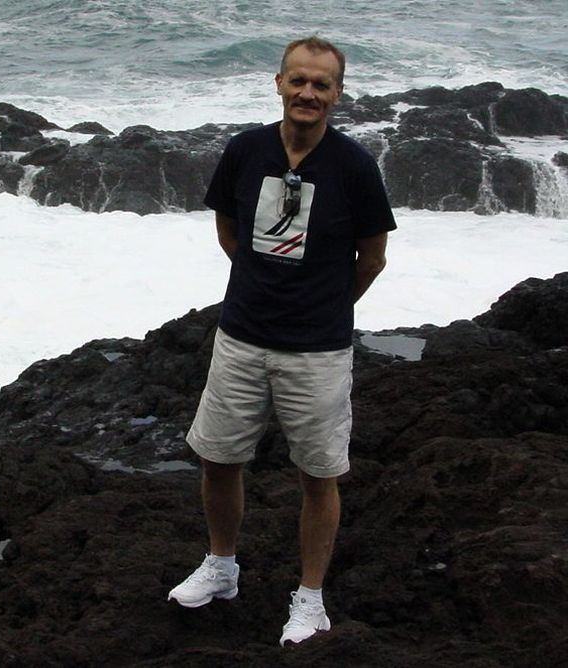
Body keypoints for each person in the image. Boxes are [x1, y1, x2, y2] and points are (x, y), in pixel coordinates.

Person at [168, 36, 396, 646]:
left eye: (321, 84)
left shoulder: (354, 166)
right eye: (298, 80)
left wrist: (324, 305)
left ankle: (311, 599)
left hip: (317, 350)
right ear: (279, 83)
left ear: (338, 94)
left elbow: (373, 258)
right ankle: (221, 566)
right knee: (219, 460)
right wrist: (262, 285)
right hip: (241, 336)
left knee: (318, 475)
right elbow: (227, 227)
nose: (308, 93)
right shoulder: (245, 150)